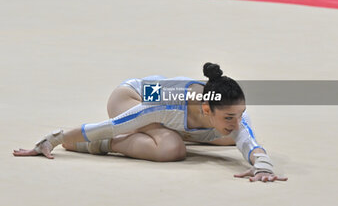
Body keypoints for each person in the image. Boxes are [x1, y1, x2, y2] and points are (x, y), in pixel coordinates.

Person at [13, 62, 288, 183]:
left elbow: (249, 143)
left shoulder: (230, 114)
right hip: (132, 98)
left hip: (177, 115)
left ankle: (175, 133)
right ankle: (103, 147)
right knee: (171, 148)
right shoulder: (168, 104)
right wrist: (55, 138)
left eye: (240, 114)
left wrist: (263, 167)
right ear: (206, 109)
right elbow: (112, 124)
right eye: (230, 117)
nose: (237, 121)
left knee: (230, 136)